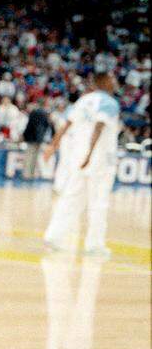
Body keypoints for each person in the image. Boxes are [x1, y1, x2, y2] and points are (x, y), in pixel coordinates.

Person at [42, 72, 121, 256]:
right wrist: (90, 154)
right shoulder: (109, 103)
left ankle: (53, 236)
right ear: (104, 82)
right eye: (112, 79)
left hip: (78, 158)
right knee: (99, 202)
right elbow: (98, 127)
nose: (115, 82)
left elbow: (65, 125)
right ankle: (94, 245)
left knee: (71, 198)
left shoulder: (83, 101)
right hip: (99, 160)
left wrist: (52, 146)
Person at [20, 98, 53, 180]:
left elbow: (29, 125)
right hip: (39, 138)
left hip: (31, 137)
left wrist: (24, 135)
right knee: (34, 157)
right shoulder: (45, 114)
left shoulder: (34, 112)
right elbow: (47, 126)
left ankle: (27, 174)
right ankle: (31, 174)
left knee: (29, 156)